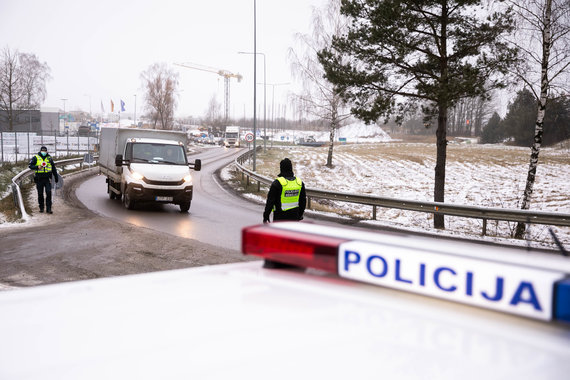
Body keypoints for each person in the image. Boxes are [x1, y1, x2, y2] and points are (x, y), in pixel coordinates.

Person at [263, 158, 306, 223]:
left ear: (281, 168)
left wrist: (266, 216)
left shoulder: (277, 183)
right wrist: (300, 214)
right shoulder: (299, 183)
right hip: (295, 217)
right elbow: (303, 201)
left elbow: (270, 201)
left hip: (280, 218)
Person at [28, 146, 58, 214]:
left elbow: (53, 168)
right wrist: (37, 167)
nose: (44, 152)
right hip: (39, 179)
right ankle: (41, 208)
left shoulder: (49, 158)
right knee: (40, 194)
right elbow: (30, 166)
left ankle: (49, 209)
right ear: (40, 151)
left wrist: (56, 177)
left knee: (48, 193)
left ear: (46, 151)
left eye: (45, 151)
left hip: (47, 179)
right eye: (43, 151)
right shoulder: (36, 157)